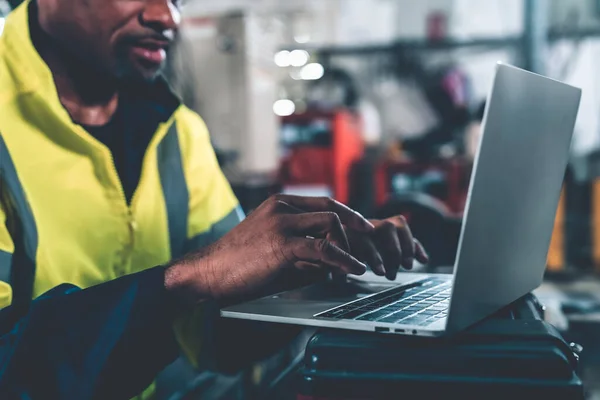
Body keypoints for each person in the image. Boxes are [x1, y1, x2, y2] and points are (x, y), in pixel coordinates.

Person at [0, 0, 429, 399]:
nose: (168, 18)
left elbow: (218, 341)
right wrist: (186, 279)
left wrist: (317, 270)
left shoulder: (179, 132)